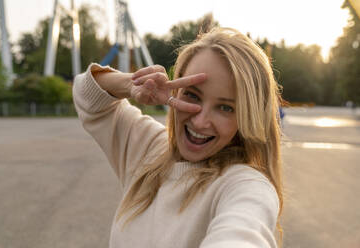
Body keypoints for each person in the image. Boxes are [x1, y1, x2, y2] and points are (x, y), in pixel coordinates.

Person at [73, 27, 283, 248]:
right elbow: (86, 92)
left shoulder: (244, 185)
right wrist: (131, 85)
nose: (200, 121)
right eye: (192, 95)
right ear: (176, 90)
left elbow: (242, 234)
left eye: (225, 107)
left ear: (248, 117)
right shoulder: (149, 148)